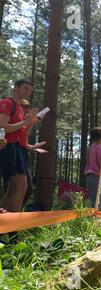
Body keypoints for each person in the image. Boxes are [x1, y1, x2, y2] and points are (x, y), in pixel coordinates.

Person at [0, 80, 38, 215]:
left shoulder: (20, 107)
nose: (28, 92)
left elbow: (25, 132)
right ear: (15, 87)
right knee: (21, 186)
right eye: (25, 89)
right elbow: (3, 127)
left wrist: (31, 122)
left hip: (20, 149)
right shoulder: (7, 103)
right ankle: (13, 231)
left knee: (14, 189)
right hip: (10, 147)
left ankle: (4, 226)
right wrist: (25, 121)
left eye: (30, 90)